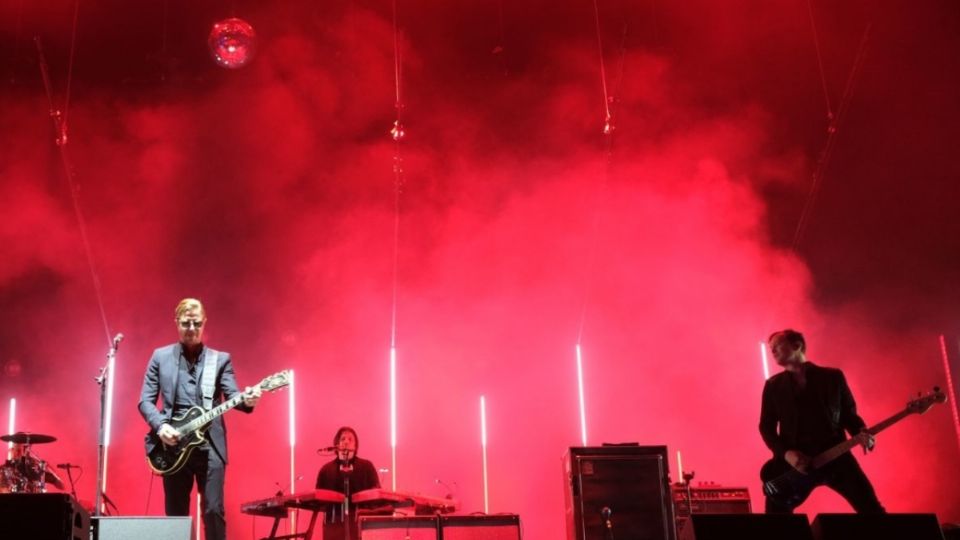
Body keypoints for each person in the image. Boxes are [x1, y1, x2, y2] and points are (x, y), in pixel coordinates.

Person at [138, 298, 261, 540]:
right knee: (176, 517)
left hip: (210, 446)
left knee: (213, 511)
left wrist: (248, 399)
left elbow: (234, 395)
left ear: (204, 323)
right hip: (172, 446)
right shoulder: (160, 357)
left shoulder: (220, 359)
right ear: (176, 323)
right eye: (186, 323)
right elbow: (145, 401)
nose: (191, 329)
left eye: (196, 323)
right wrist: (161, 426)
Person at [759, 329, 884, 513]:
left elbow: (849, 416)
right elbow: (766, 427)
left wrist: (862, 432)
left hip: (836, 457)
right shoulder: (773, 386)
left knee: (872, 510)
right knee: (776, 523)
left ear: (797, 345)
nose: (773, 350)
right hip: (796, 463)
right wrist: (787, 454)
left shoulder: (833, 377)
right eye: (771, 348)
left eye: (777, 345)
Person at [316, 426, 382, 535]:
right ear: (336, 444)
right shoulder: (325, 470)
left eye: (350, 439)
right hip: (332, 525)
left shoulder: (367, 467)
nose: (346, 442)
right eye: (342, 439)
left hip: (360, 525)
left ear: (356, 446)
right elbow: (319, 499)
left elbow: (376, 494)